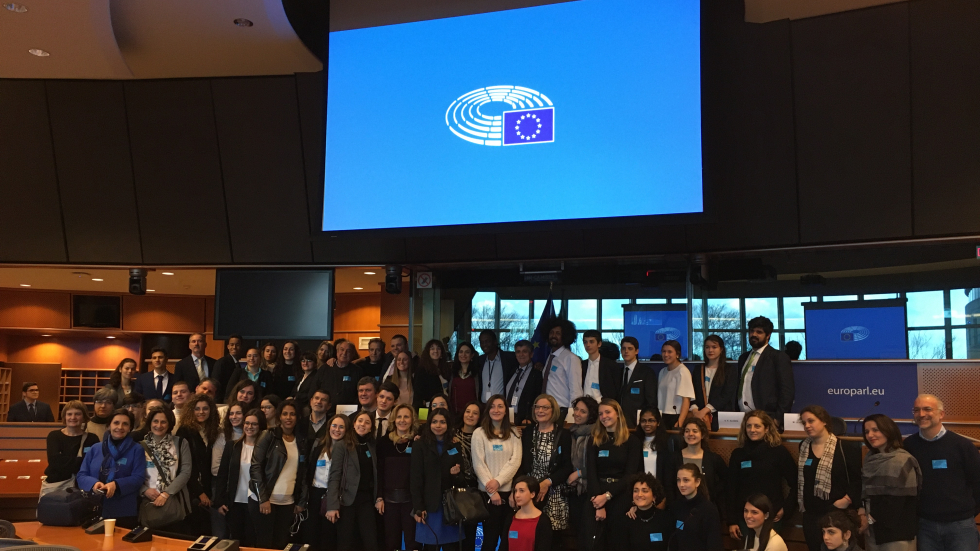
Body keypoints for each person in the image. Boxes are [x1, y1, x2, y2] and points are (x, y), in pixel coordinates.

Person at [902, 393, 980, 551]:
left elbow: (978, 482)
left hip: (961, 526)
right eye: (917, 410)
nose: (922, 414)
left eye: (927, 409)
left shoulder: (962, 446)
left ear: (941, 414)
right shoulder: (908, 446)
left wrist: (967, 512)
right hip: (925, 527)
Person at [797, 405, 862, 551]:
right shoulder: (803, 446)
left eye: (811, 421)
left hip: (836, 514)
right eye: (804, 422)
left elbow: (858, 481)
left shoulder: (845, 447)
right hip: (811, 516)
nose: (807, 425)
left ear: (824, 421)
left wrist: (846, 501)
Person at [580, 398, 642, 551]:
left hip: (620, 495)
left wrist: (606, 496)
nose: (604, 416)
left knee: (617, 542)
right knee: (593, 544)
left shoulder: (632, 441)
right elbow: (591, 471)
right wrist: (598, 502)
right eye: (601, 413)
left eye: (608, 412)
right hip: (596, 495)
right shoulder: (594, 440)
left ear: (618, 414)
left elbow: (630, 475)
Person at [727, 410, 796, 540]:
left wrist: (785, 509)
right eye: (749, 426)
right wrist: (732, 520)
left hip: (771, 514)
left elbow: (796, 483)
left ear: (767, 428)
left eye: (757, 426)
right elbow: (731, 489)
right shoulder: (738, 454)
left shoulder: (779, 452)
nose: (752, 429)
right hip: (746, 516)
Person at [250, 399, 309, 549]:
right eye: (285, 414)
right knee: (264, 545)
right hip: (266, 500)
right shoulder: (268, 436)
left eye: (292, 414)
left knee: (281, 544)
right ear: (279, 417)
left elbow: (303, 473)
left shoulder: (301, 441)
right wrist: (263, 498)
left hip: (288, 503)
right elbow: (255, 467)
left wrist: (301, 501)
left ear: (297, 417)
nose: (288, 417)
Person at [77, 408, 147, 528]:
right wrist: (94, 484)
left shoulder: (137, 449)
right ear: (109, 425)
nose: (120, 427)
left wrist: (116, 484)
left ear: (130, 428)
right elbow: (81, 475)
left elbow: (138, 478)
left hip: (124, 509)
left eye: (125, 424)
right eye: (116, 423)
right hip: (94, 507)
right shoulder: (95, 448)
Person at [516, 394, 572, 542]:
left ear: (553, 410)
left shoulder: (564, 435)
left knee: (553, 539)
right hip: (530, 493)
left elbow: (567, 467)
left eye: (545, 407)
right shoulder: (527, 432)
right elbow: (520, 464)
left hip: (554, 492)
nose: (540, 410)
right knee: (530, 535)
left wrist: (547, 482)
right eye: (537, 407)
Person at [860, 413, 920, 551]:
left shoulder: (903, 461)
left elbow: (894, 505)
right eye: (867, 431)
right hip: (873, 531)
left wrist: (868, 521)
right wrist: (862, 514)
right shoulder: (870, 459)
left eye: (876, 430)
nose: (870, 435)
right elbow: (865, 492)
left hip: (897, 534)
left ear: (888, 430)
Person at [472, 394, 523, 551]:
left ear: (506, 410)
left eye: (500, 406)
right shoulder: (479, 433)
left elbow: (515, 461)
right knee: (489, 539)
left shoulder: (514, 433)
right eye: (492, 406)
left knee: (508, 538)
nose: (496, 409)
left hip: (509, 496)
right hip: (487, 495)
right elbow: (479, 464)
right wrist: (492, 491)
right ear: (487, 410)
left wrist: (498, 482)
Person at [410, 408, 464, 550]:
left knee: (451, 546)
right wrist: (418, 507)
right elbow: (415, 478)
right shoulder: (419, 445)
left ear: (448, 424)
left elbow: (461, 479)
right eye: (434, 422)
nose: (438, 425)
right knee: (430, 546)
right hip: (429, 507)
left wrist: (456, 474)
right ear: (429, 424)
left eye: (442, 422)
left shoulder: (455, 444)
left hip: (450, 508)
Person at [326, 410, 379, 551]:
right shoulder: (342, 445)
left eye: (367, 422)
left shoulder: (371, 446)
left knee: (371, 541)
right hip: (346, 500)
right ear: (354, 424)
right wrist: (332, 505)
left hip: (366, 500)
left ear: (371, 427)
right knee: (345, 542)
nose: (363, 424)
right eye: (360, 421)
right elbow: (334, 475)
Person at [215, 408, 266, 547]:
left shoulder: (267, 449)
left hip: (256, 502)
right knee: (235, 540)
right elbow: (222, 475)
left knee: (252, 540)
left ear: (261, 426)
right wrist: (219, 501)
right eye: (247, 423)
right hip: (235, 501)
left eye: (254, 424)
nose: (250, 427)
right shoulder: (232, 446)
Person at [139, 406, 194, 531]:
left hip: (175, 500)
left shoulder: (180, 443)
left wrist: (166, 494)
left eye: (163, 422)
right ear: (150, 423)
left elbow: (186, 472)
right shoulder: (140, 446)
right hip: (149, 501)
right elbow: (134, 474)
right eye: (155, 421)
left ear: (170, 424)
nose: (159, 425)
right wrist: (144, 490)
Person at [737, 317, 795, 428]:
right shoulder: (743, 358)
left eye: (759, 332)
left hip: (768, 419)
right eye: (752, 331)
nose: (754, 334)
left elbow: (787, 391)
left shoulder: (778, 357)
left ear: (768, 335)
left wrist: (777, 419)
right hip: (743, 418)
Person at [176, 393, 221, 533]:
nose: (201, 412)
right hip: (191, 490)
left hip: (208, 487)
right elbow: (185, 465)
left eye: (205, 408)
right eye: (197, 409)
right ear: (191, 410)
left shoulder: (214, 431)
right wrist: (199, 492)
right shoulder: (184, 431)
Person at [376, 404, 417, 551]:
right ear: (394, 419)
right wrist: (379, 497)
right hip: (388, 501)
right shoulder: (383, 443)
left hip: (411, 501)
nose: (402, 420)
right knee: (391, 542)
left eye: (406, 416)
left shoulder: (418, 443)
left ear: (412, 420)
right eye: (399, 416)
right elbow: (379, 473)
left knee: (412, 542)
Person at [304, 413, 347, 551]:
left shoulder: (348, 450)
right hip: (316, 494)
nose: (337, 429)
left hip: (334, 496)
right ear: (329, 427)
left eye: (341, 427)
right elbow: (309, 471)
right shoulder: (318, 446)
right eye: (334, 425)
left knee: (328, 537)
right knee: (312, 534)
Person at [666, 417, 727, 514]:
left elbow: (725, 482)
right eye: (687, 431)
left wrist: (714, 495)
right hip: (680, 510)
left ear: (702, 435)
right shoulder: (673, 458)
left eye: (695, 431)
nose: (690, 434)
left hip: (707, 511)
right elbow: (669, 485)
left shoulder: (714, 459)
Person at [43, 400, 100, 496]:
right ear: (64, 417)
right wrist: (81, 461)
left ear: (84, 417)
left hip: (83, 486)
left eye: (77, 414)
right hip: (57, 484)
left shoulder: (92, 438)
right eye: (69, 414)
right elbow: (54, 462)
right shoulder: (54, 436)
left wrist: (65, 460)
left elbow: (93, 464)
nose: (73, 417)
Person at [669, 463, 723, 551]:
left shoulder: (708, 509)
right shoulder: (676, 507)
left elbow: (714, 544)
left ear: (697, 482)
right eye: (678, 480)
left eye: (686, 480)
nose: (681, 484)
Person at [566, 395, 599, 538]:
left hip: (588, 489)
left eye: (583, 411)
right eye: (576, 410)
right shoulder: (571, 432)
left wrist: (579, 473)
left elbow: (598, 464)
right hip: (572, 489)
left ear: (590, 415)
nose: (577, 414)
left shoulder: (596, 434)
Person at [690, 335, 738, 431]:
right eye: (707, 347)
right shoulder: (698, 369)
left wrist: (705, 410)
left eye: (714, 347)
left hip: (721, 417)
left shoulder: (729, 370)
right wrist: (695, 411)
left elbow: (726, 394)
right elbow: (692, 392)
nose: (710, 350)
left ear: (721, 349)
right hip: (700, 418)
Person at [541, 319, 583, 421]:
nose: (553, 336)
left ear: (565, 336)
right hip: (548, 410)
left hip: (562, 412)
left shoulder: (571, 359)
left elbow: (576, 390)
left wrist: (571, 417)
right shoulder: (550, 357)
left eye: (558, 333)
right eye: (551, 332)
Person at [453, 401, 482, 551]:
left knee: (470, 533)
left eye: (475, 413)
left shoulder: (483, 435)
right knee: (454, 534)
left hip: (476, 489)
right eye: (468, 411)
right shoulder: (452, 434)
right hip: (455, 488)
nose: (470, 415)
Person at [624, 473, 672, 551]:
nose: (639, 494)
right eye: (635, 491)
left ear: (654, 496)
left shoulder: (665, 519)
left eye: (645, 491)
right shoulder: (627, 520)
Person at [618, 337, 656, 429]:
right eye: (623, 348)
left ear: (636, 351)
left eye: (630, 348)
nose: (626, 351)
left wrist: (645, 421)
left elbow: (651, 400)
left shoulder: (646, 372)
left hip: (638, 422)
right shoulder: (618, 372)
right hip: (620, 422)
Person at [508, 475, 554, 551]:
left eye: (521, 491)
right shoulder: (511, 518)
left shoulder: (543, 521)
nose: (517, 495)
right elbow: (504, 546)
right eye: (515, 491)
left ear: (532, 494)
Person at [657, 340, 694, 430]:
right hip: (662, 416)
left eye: (669, 352)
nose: (666, 355)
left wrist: (680, 421)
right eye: (663, 351)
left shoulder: (682, 371)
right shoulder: (662, 371)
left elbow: (686, 399)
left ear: (677, 354)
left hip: (676, 416)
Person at [507, 340, 544, 426]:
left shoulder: (537, 374)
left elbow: (538, 398)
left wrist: (530, 418)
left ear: (531, 354)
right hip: (508, 418)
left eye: (524, 351)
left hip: (525, 420)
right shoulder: (512, 371)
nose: (521, 355)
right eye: (518, 352)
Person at [477, 330, 518, 405]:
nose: (484, 345)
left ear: (495, 341)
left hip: (501, 406)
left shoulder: (509, 359)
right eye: (482, 342)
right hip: (484, 405)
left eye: (487, 341)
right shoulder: (480, 361)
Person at [317, 340, 364, 406]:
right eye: (342, 349)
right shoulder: (325, 368)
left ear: (352, 354)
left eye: (348, 351)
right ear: (337, 352)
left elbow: (360, 393)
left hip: (348, 411)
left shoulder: (358, 371)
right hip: (325, 409)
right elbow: (314, 389)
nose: (344, 353)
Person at [580, 330, 620, 402]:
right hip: (585, 406)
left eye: (591, 342)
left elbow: (616, 390)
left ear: (599, 344)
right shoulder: (581, 365)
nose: (588, 345)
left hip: (603, 406)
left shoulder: (610, 365)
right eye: (585, 342)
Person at [636, 407, 671, 483]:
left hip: (660, 487)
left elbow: (668, 472)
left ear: (658, 422)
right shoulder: (635, 442)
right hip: (640, 488)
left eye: (651, 420)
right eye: (643, 421)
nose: (647, 424)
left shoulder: (666, 442)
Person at [448, 342, 479, 413]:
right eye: (461, 352)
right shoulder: (452, 373)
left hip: (472, 413)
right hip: (454, 413)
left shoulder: (477, 374)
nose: (463, 355)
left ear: (472, 355)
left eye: (467, 352)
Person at [417, 339, 450, 404]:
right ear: (428, 352)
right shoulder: (422, 370)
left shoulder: (446, 369)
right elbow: (418, 395)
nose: (435, 351)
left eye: (438, 348)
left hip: (445, 406)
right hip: (430, 408)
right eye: (432, 348)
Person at [213, 335, 245, 401]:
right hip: (223, 400)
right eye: (232, 344)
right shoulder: (221, 362)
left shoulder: (238, 363)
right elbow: (216, 383)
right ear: (228, 347)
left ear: (241, 347)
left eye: (237, 345)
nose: (234, 347)